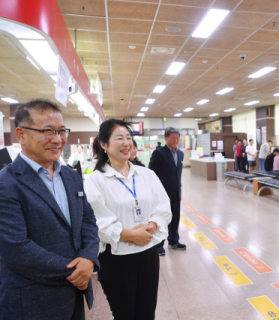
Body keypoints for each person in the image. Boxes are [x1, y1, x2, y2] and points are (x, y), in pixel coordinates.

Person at [0, 99, 100, 320]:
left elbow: (88, 221)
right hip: (32, 300)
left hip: (74, 295)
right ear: (21, 134)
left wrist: (89, 257)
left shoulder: (70, 176)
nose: (57, 139)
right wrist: (78, 270)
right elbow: (16, 248)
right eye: (47, 131)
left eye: (61, 131)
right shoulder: (7, 183)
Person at [84, 119, 172, 320]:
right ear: (103, 144)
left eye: (129, 138)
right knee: (124, 313)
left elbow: (163, 207)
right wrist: (130, 234)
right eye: (119, 138)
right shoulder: (95, 181)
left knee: (147, 312)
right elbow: (96, 221)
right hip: (116, 258)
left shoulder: (146, 174)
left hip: (148, 254)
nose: (126, 143)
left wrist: (151, 225)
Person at [149, 127, 186, 256]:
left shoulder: (180, 153)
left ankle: (173, 241)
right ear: (166, 138)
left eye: (177, 138)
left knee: (175, 218)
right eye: (172, 138)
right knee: (161, 219)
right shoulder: (159, 153)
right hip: (162, 194)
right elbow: (151, 173)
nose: (175, 140)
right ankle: (159, 244)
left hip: (176, 193)